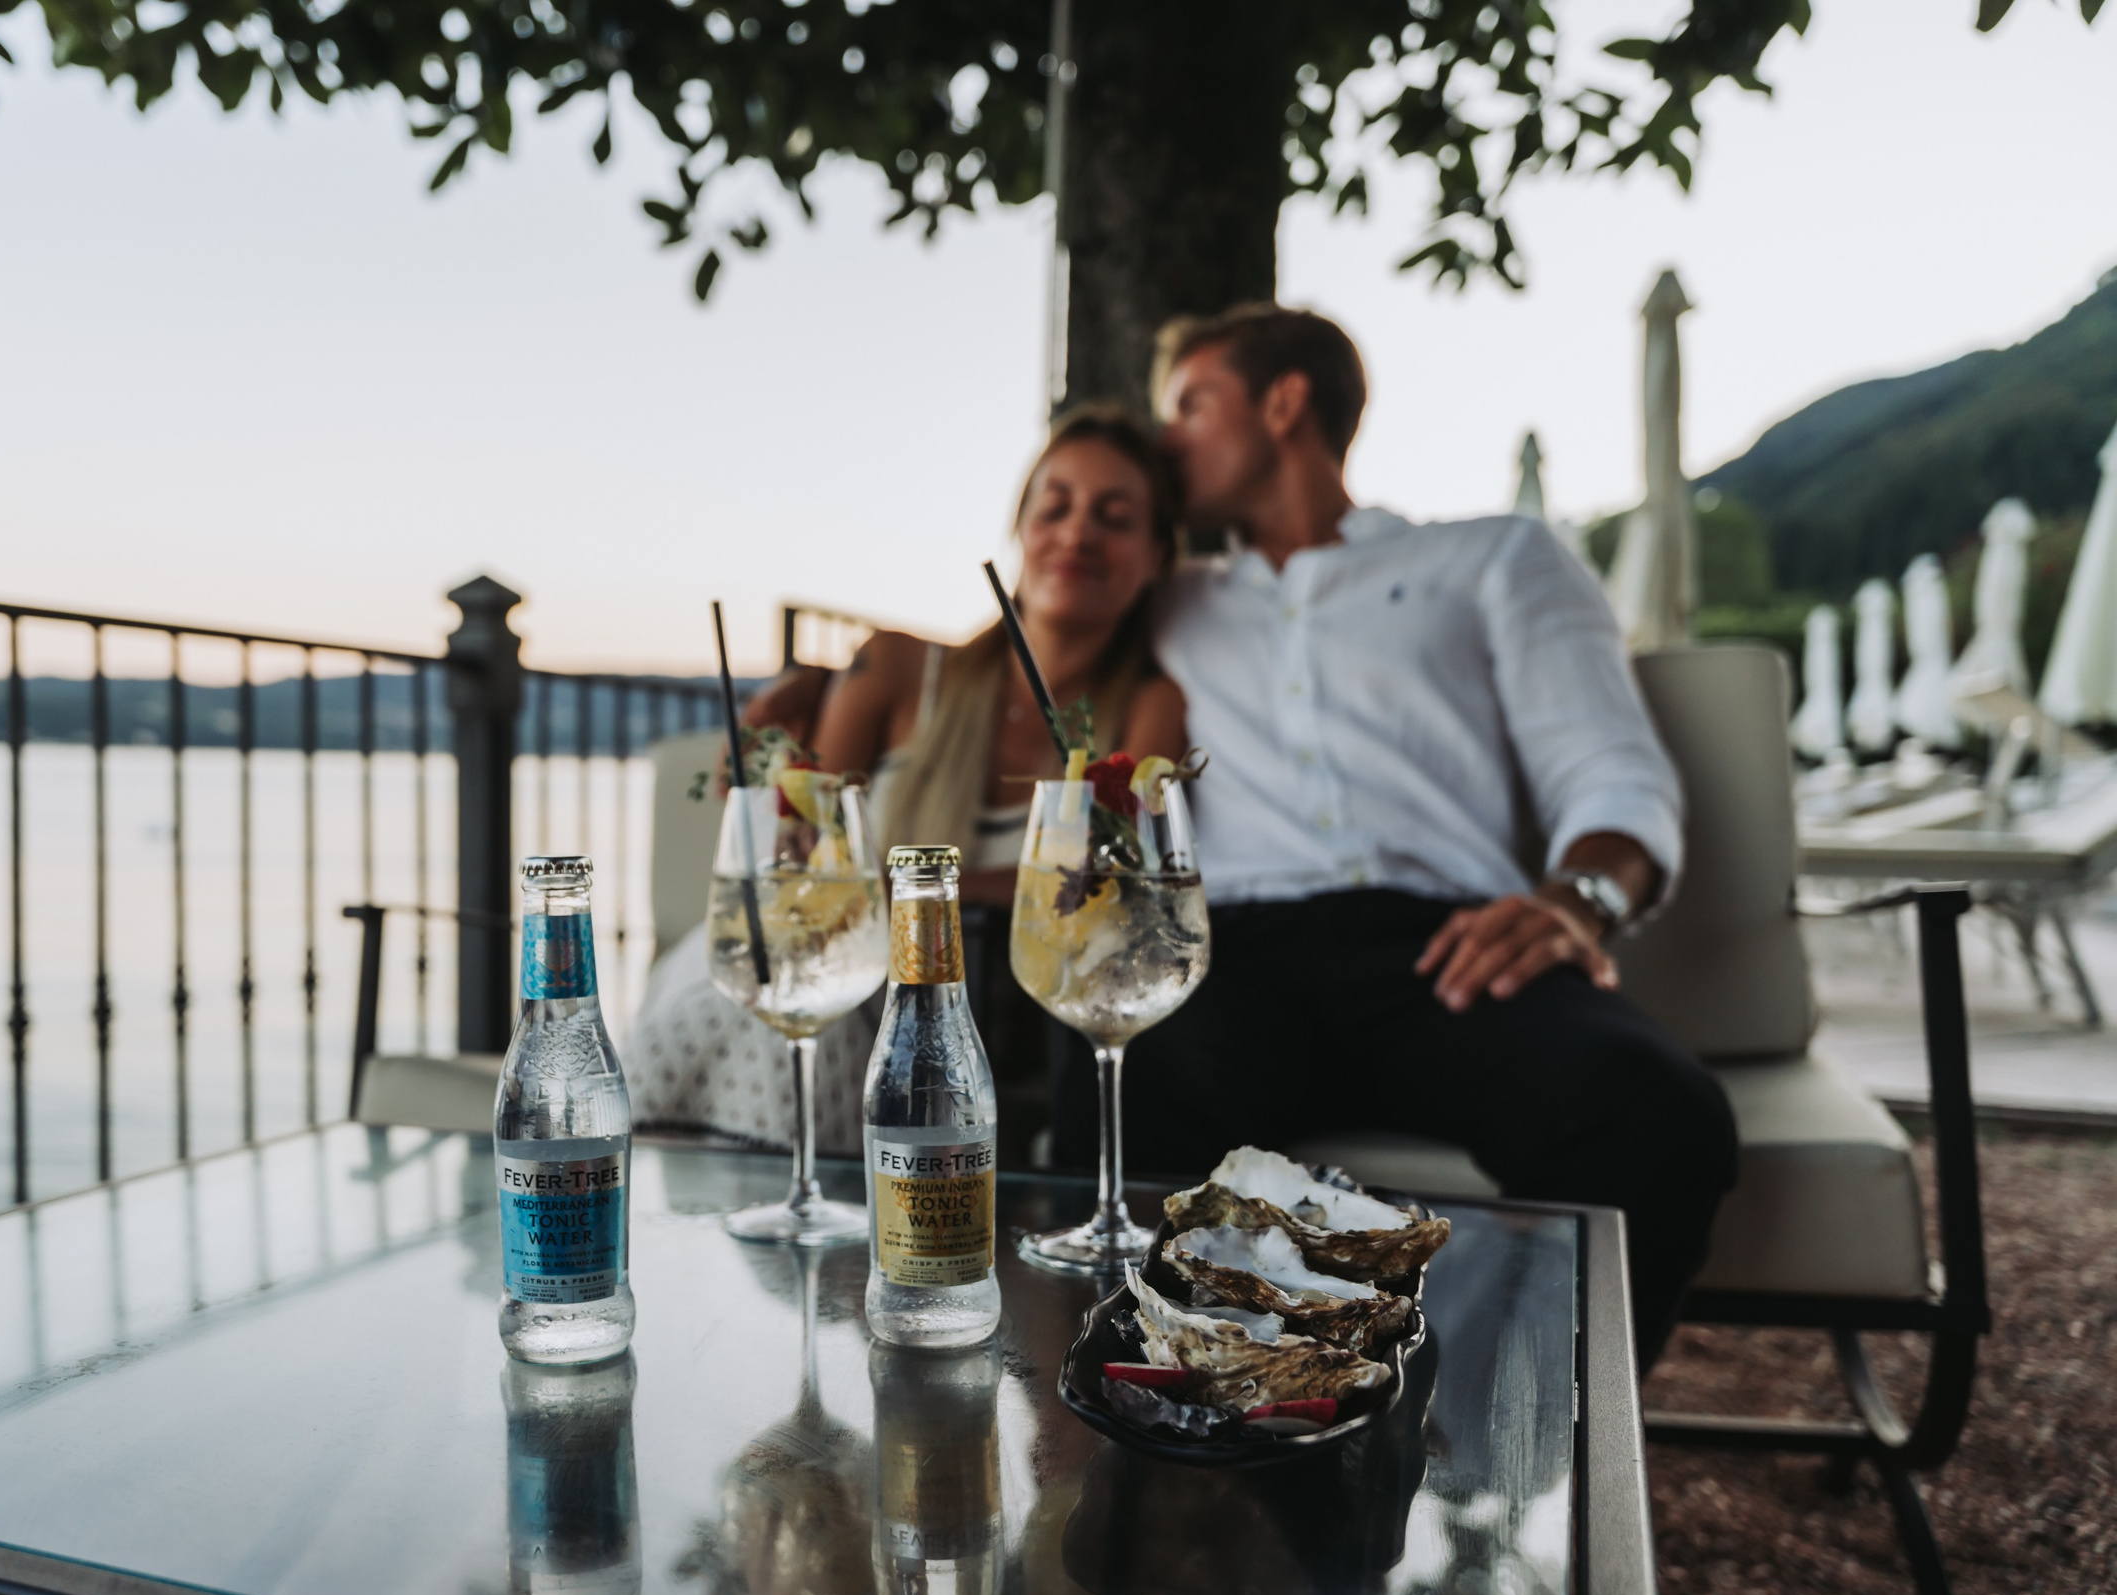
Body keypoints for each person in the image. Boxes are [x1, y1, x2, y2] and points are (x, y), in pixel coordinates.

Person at [1083, 302, 1736, 1369]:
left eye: (1190, 406)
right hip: (1232, 960)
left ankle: (1506, 1452)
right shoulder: (1169, 602)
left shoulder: (1494, 559)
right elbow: (1014, 654)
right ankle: (1171, 1441)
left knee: (1656, 1114)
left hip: (1445, 951)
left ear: (1283, 404)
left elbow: (1611, 771)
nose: (1167, 441)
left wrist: (1580, 899)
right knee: (1117, 1078)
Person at [625, 407, 1188, 1155]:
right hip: (825, 969)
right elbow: (815, 856)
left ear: (1156, 557)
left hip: (957, 1029)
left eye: (1113, 517)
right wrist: (774, 774)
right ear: (1020, 529)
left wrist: (910, 895)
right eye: (1055, 506)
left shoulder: (1151, 707)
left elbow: (1116, 888)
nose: (1077, 532)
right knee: (754, 1002)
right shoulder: (893, 668)